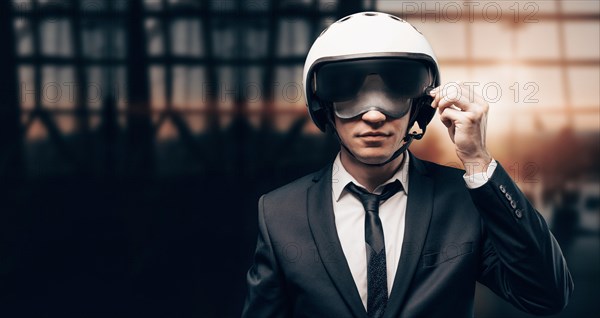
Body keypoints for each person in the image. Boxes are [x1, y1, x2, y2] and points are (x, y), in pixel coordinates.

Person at [242, 12, 573, 318]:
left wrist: (478, 161)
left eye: (395, 91)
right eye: (348, 92)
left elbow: (546, 295)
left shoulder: (464, 201)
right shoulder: (279, 213)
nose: (373, 115)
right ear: (322, 105)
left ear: (420, 106)